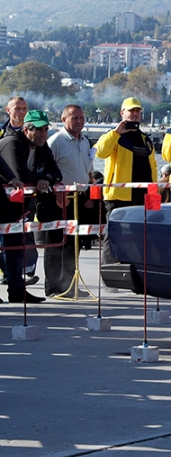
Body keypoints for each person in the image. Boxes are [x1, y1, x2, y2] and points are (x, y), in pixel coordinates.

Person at [0, 110, 66, 303]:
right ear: (26, 129)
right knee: (8, 248)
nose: (42, 134)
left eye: (45, 129)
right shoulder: (12, 143)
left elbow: (56, 172)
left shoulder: (42, 146)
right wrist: (41, 179)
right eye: (38, 130)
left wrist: (45, 178)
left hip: (15, 208)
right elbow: (19, 175)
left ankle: (17, 290)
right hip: (4, 203)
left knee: (14, 248)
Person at [95, 97, 158, 266]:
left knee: (141, 235)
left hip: (142, 197)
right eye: (131, 111)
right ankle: (110, 272)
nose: (135, 114)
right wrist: (116, 132)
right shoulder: (114, 135)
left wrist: (153, 198)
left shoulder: (146, 139)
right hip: (118, 196)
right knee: (113, 236)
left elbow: (153, 169)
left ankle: (136, 270)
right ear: (122, 113)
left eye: (138, 111)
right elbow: (100, 152)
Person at [45, 104, 94, 299]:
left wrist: (89, 191)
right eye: (75, 118)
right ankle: (54, 286)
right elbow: (47, 169)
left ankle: (70, 283)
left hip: (79, 197)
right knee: (56, 242)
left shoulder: (84, 141)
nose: (80, 121)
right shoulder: (56, 141)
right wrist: (57, 189)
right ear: (64, 119)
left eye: (82, 117)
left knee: (74, 243)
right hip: (60, 198)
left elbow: (87, 169)